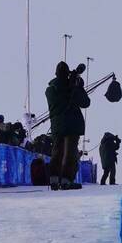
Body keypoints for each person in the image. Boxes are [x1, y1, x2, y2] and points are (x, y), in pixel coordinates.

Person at [45, 62, 90, 190]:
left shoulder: (50, 90)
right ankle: (66, 181)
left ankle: (53, 180)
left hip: (57, 126)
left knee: (57, 152)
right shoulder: (71, 88)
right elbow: (86, 102)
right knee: (70, 153)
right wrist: (77, 87)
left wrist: (72, 84)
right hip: (71, 124)